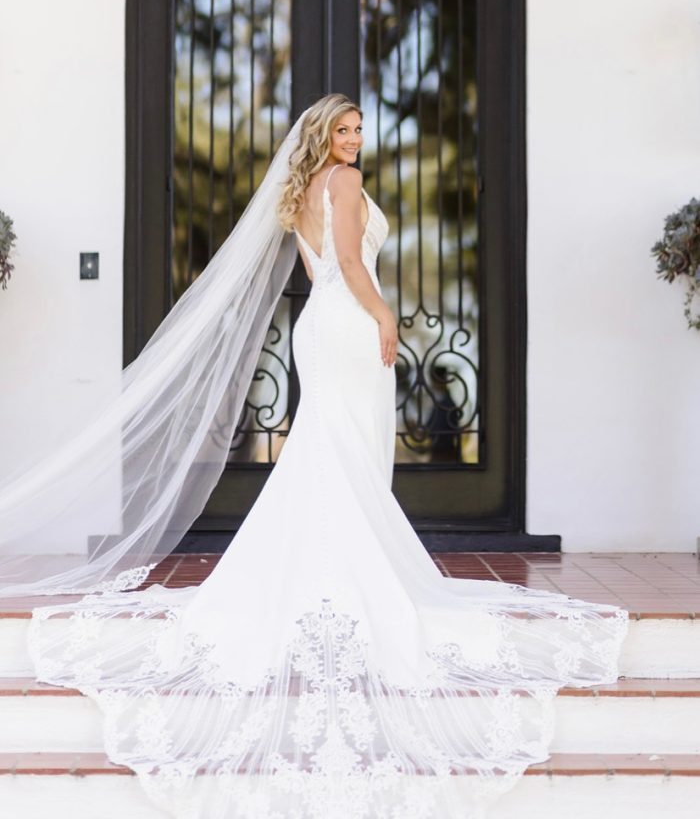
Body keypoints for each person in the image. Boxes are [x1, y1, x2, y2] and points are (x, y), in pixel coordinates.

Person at [12, 94, 628, 818]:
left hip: (320, 327)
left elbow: (321, 266)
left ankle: (319, 574)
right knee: (347, 455)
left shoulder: (300, 187)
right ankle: (348, 579)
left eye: (359, 129)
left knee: (328, 452)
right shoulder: (345, 181)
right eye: (344, 129)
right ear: (323, 135)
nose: (355, 139)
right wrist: (385, 314)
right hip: (349, 325)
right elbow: (349, 262)